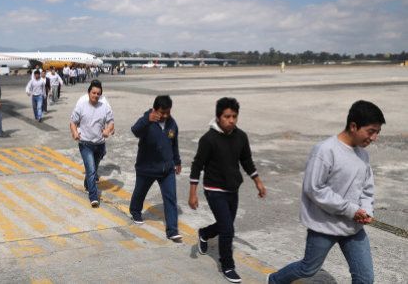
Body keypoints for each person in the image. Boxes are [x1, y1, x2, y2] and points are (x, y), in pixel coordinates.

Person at [268, 100, 385, 284]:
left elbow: (367, 189)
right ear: (353, 126)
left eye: (377, 132)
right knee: (308, 268)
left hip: (353, 227)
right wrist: (351, 210)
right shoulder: (325, 151)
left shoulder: (363, 155)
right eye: (371, 131)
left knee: (365, 278)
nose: (374, 137)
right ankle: (274, 280)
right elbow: (315, 189)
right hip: (324, 226)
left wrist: (366, 210)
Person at [188, 97, 267, 283]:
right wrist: (193, 193)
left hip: (232, 189)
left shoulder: (241, 136)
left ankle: (204, 234)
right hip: (214, 188)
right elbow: (196, 166)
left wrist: (258, 182)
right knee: (228, 229)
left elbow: (246, 160)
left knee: (226, 226)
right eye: (227, 116)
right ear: (218, 117)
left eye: (234, 116)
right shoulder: (208, 139)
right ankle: (227, 266)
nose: (231, 120)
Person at [129, 95, 182, 242]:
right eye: (162, 112)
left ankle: (172, 230)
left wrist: (177, 161)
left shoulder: (172, 124)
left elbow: (174, 144)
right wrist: (147, 120)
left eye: (168, 112)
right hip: (147, 167)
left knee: (171, 198)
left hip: (167, 169)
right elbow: (135, 130)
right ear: (155, 109)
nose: (165, 115)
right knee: (140, 192)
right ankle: (135, 211)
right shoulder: (147, 120)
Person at [70, 80, 114, 207]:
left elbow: (111, 122)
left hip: (100, 145)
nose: (95, 95)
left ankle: (87, 183)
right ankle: (93, 197)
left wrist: (107, 130)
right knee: (91, 171)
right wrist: (74, 133)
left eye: (98, 93)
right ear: (88, 93)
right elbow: (73, 122)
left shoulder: (104, 107)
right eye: (93, 93)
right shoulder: (81, 105)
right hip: (85, 144)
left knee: (92, 169)